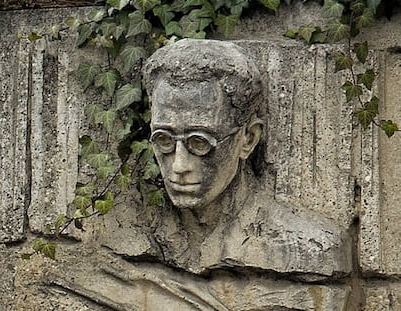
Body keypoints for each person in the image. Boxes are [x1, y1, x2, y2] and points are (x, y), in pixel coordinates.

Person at [143, 39, 352, 277]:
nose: (179, 166)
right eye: (164, 140)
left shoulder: (311, 247)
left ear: (248, 139)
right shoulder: (138, 236)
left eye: (199, 142)